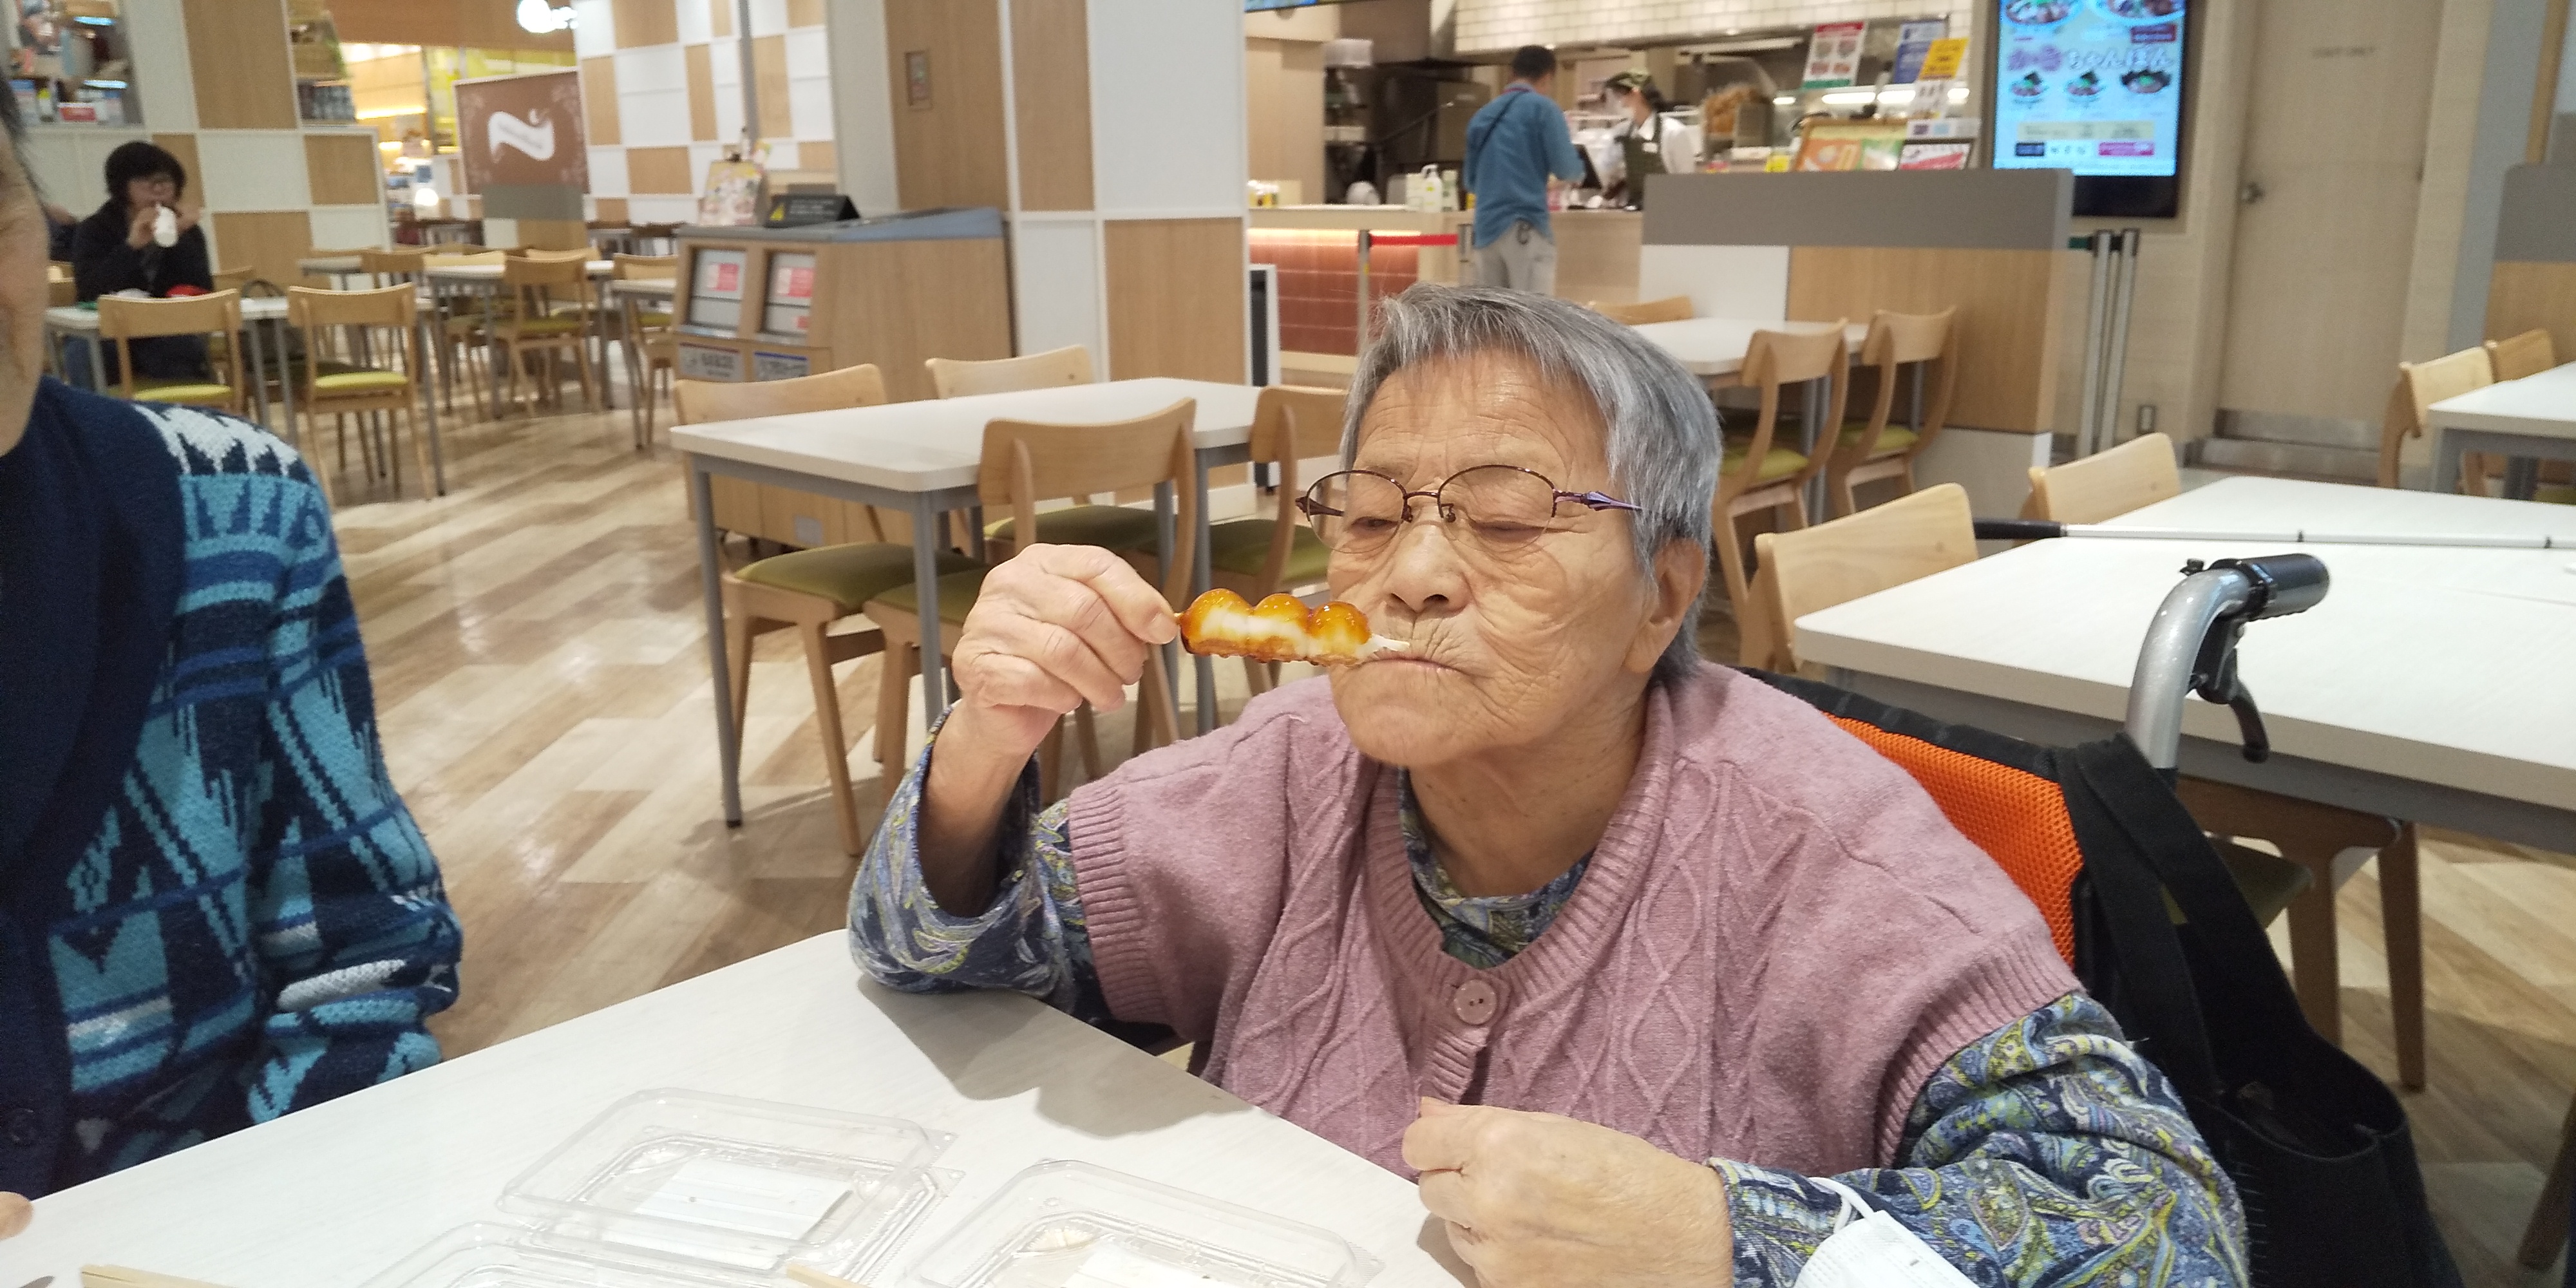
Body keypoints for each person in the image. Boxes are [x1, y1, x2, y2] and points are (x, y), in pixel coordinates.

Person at [848, 285, 2246, 1285]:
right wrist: (988, 739)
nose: (1408, 571)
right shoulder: (1288, 763)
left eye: (1509, 519)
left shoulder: (1823, 848)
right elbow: (938, 958)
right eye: (1371, 514)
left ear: (1662, 599)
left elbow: (2171, 1234)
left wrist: (1727, 1241)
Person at [0, 92, 460, 1200]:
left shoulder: (234, 517)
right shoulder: (109, 239)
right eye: (145, 186)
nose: (158, 198)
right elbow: (114, 289)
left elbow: (363, 955)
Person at [69, 139, 213, 384]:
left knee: (182, 347)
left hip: (165, 329)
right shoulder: (95, 229)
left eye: (165, 181)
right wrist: (132, 247)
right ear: (122, 187)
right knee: (83, 352)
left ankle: (180, 409)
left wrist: (179, 237)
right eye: (146, 181)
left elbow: (201, 289)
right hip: (108, 332)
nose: (158, 190)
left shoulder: (188, 232)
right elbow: (90, 290)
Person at [1459, 46, 1585, 297]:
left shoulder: (1483, 116)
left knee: (1490, 313)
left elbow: (1470, 181)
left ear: (1511, 74)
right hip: (1525, 227)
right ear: (1547, 77)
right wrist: (1576, 175)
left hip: (1485, 231)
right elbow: (1567, 168)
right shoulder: (1544, 109)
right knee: (1532, 313)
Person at [1604, 69, 1672, 210]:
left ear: (1636, 94)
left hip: (1667, 210)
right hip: (1633, 209)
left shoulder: (1672, 132)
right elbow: (1605, 167)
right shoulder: (1622, 132)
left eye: (1620, 96)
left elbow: (1685, 181)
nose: (1620, 104)